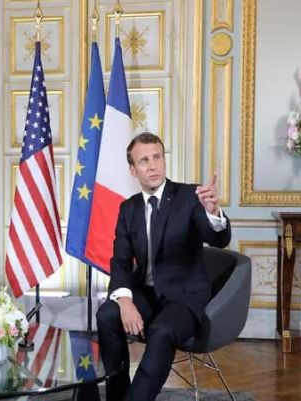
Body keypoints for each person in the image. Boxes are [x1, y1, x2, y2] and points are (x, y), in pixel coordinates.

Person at [96, 132, 231, 401]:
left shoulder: (190, 196)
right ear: (133, 170)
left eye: (157, 157)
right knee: (107, 315)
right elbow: (120, 261)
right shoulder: (128, 209)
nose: (153, 166)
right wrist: (125, 302)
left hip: (184, 297)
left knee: (162, 331)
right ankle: (117, 395)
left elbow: (218, 239)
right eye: (144, 161)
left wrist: (213, 212)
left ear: (164, 161)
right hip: (146, 293)